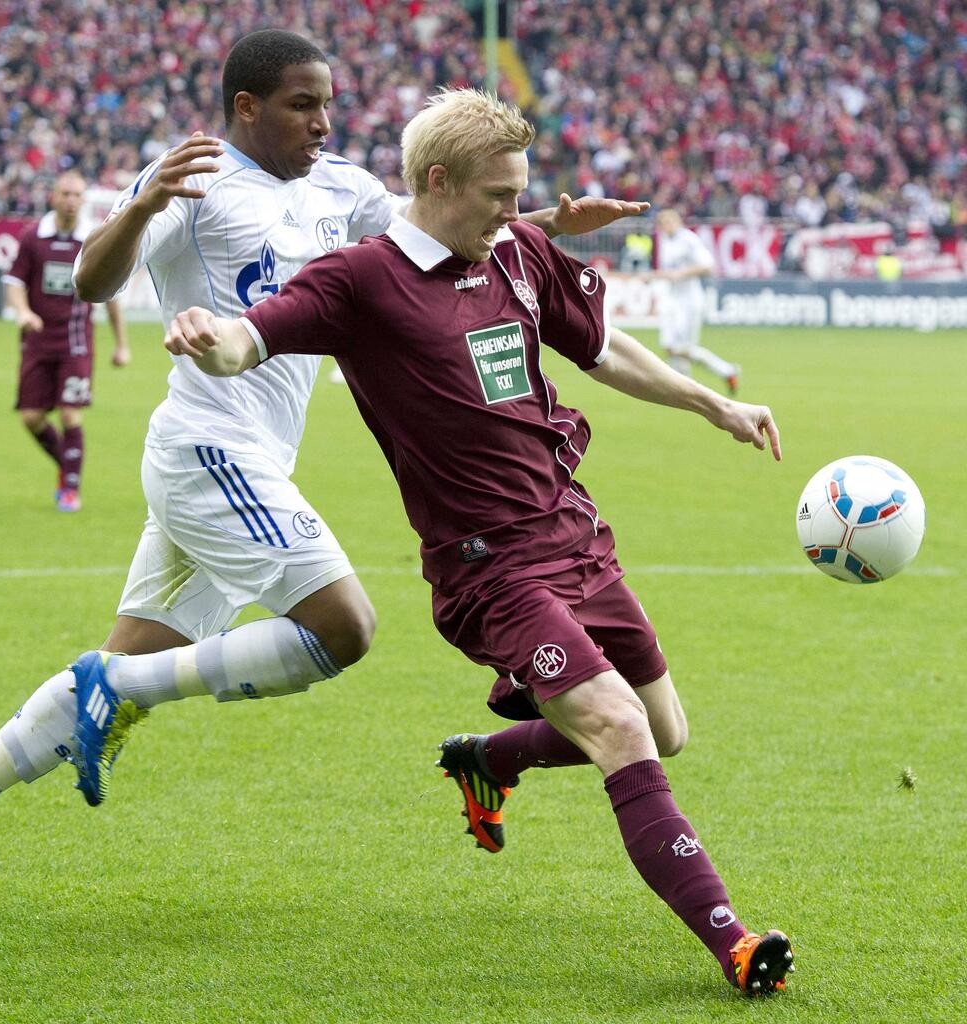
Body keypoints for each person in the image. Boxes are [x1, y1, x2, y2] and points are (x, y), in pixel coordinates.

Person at [0, 31, 647, 866]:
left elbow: (435, 234)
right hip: (208, 446)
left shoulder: (342, 188)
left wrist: (542, 222)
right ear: (248, 107)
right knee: (342, 627)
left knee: (125, 664)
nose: (323, 123)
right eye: (303, 105)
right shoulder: (193, 179)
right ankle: (112, 693)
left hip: (252, 462)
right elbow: (94, 280)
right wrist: (139, 207)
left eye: (329, 104)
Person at [159, 89, 795, 996]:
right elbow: (248, 340)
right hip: (488, 569)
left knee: (664, 731)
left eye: (518, 193)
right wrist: (205, 335)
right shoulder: (358, 281)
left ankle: (489, 757)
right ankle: (735, 943)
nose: (515, 211)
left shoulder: (519, 251)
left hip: (574, 534)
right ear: (437, 180)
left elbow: (603, 348)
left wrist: (715, 403)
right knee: (617, 728)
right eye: (499, 195)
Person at [2, 169, 131, 512]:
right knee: (31, 418)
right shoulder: (33, 238)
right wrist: (23, 312)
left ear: (84, 200)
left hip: (75, 343)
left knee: (71, 415)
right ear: (54, 197)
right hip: (37, 342)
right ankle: (68, 465)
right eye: (66, 194)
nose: (72, 201)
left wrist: (122, 344)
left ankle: (70, 489)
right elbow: (14, 283)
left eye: (77, 195)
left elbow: (111, 294)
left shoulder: (92, 238)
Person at [646, 208, 740, 394]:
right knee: (671, 348)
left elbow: (708, 265)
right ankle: (683, 388)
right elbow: (670, 270)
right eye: (662, 223)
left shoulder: (688, 239)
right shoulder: (666, 240)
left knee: (682, 349)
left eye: (668, 221)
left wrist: (681, 273)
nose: (665, 226)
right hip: (673, 299)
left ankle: (723, 372)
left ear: (678, 221)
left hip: (689, 301)